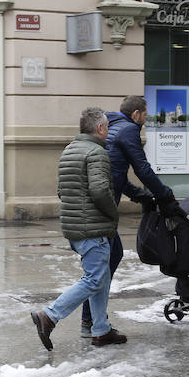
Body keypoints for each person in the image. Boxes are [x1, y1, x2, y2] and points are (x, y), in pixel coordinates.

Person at [78, 95, 181, 338]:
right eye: (145, 115)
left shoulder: (112, 128)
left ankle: (91, 319)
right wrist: (165, 196)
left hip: (97, 207)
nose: (145, 120)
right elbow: (142, 169)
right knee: (100, 266)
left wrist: (141, 196)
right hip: (101, 209)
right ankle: (78, 318)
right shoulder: (129, 130)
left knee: (109, 257)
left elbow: (118, 175)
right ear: (136, 114)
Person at [31, 107, 127, 351]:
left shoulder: (70, 150)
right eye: (106, 126)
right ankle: (50, 315)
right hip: (93, 228)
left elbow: (63, 192)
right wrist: (113, 213)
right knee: (94, 279)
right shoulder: (97, 152)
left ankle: (101, 330)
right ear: (100, 128)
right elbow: (99, 191)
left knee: (100, 278)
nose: (108, 130)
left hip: (75, 227)